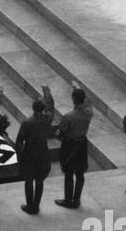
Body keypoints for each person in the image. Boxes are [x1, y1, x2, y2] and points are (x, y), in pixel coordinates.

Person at [15, 85, 56, 214]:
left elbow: (19, 141)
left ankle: (29, 205)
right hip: (43, 151)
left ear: (33, 108)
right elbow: (51, 106)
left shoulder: (27, 123)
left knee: (28, 181)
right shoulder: (47, 119)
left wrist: (19, 155)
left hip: (30, 152)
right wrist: (47, 92)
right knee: (39, 181)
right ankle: (36, 206)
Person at [55, 87, 95, 209]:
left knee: (68, 172)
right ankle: (76, 200)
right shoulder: (89, 112)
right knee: (80, 173)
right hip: (82, 143)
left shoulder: (69, 117)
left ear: (73, 100)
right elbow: (89, 103)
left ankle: (68, 200)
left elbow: (59, 133)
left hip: (70, 145)